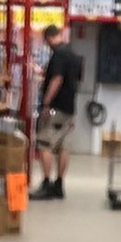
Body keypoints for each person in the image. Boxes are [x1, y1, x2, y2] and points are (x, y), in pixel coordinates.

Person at [33, 23, 81, 201]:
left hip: (56, 108)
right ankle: (59, 185)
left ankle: (46, 184)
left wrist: (46, 103)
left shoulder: (58, 54)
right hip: (69, 108)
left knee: (44, 143)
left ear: (48, 38)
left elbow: (57, 79)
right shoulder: (73, 55)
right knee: (63, 147)